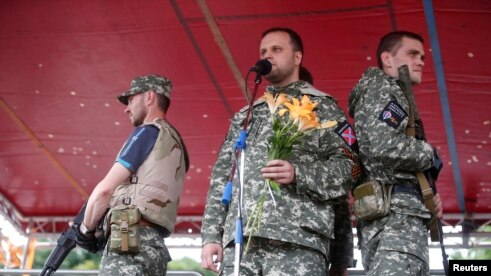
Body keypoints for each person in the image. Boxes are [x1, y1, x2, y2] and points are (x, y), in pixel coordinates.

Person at [201, 27, 359, 275]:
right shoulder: (246, 115)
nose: (268, 56)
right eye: (264, 51)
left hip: (299, 241)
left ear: (297, 57)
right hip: (242, 243)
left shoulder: (323, 108)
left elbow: (352, 168)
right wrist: (211, 235)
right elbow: (223, 178)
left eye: (276, 49)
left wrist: (300, 174)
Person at [348, 31, 443, 275]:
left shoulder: (382, 90)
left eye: (422, 56)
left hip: (390, 216)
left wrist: (428, 193)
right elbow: (384, 147)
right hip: (397, 220)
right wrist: (429, 153)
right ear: (388, 59)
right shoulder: (384, 88)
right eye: (412, 54)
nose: (421, 61)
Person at [75, 75, 189, 275]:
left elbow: (104, 190)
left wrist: (85, 230)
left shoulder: (147, 132)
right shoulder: (175, 142)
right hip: (155, 246)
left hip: (128, 233)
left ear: (149, 98)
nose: (127, 108)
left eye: (131, 100)